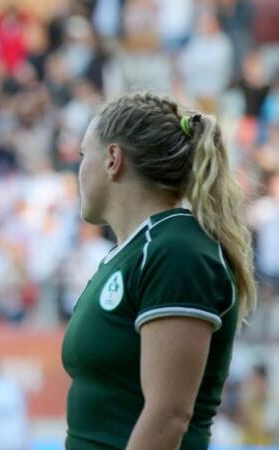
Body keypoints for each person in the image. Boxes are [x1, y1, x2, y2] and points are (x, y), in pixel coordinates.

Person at [62, 92, 257, 449]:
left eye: (81, 155)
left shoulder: (175, 250)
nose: (78, 170)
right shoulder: (133, 252)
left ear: (112, 159)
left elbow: (169, 416)